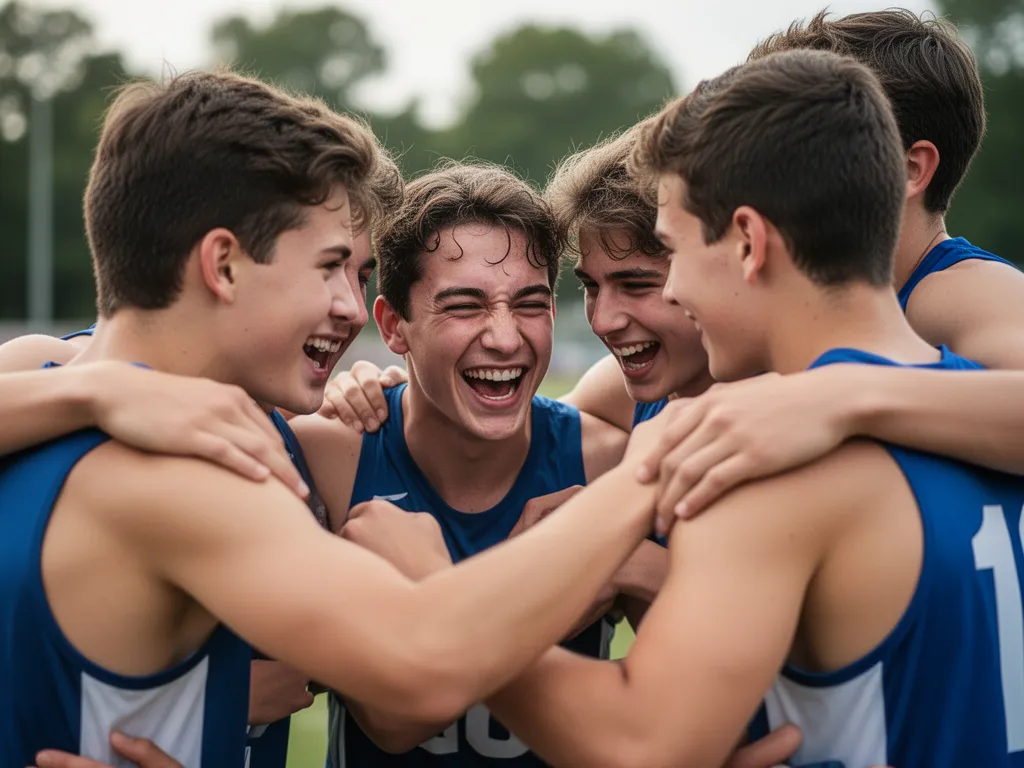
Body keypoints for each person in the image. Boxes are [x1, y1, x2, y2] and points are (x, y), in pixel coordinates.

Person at [0, 70, 660, 767]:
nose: (350, 306)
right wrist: (621, 511)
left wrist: (92, 392)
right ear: (223, 265)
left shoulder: (44, 380)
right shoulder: (206, 475)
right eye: (330, 267)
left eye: (359, 273)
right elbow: (424, 673)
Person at [476, 49, 1024, 766]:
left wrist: (444, 604)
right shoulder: (974, 404)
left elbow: (639, 744)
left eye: (669, 251)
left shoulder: (768, 457)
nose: (671, 290)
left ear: (748, 241)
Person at [288, 162, 668, 767]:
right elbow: (390, 721)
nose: (504, 337)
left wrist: (633, 562)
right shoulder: (326, 454)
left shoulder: (608, 465)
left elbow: (682, 698)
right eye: (464, 306)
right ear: (393, 326)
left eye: (530, 303)